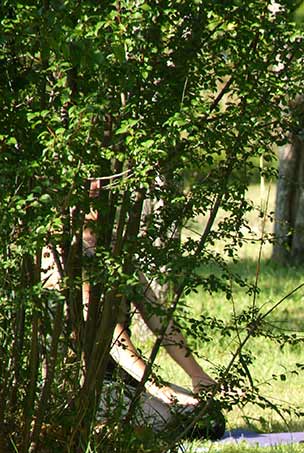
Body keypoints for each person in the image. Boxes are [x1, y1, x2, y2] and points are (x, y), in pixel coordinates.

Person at [40, 180, 224, 438]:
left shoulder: (112, 247)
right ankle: (93, 430)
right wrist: (154, 385)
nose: (95, 189)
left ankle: (120, 421)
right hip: (74, 381)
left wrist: (198, 375)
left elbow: (156, 315)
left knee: (208, 417)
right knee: (170, 419)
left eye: (100, 184)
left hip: (117, 377)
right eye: (88, 183)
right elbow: (109, 334)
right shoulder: (60, 253)